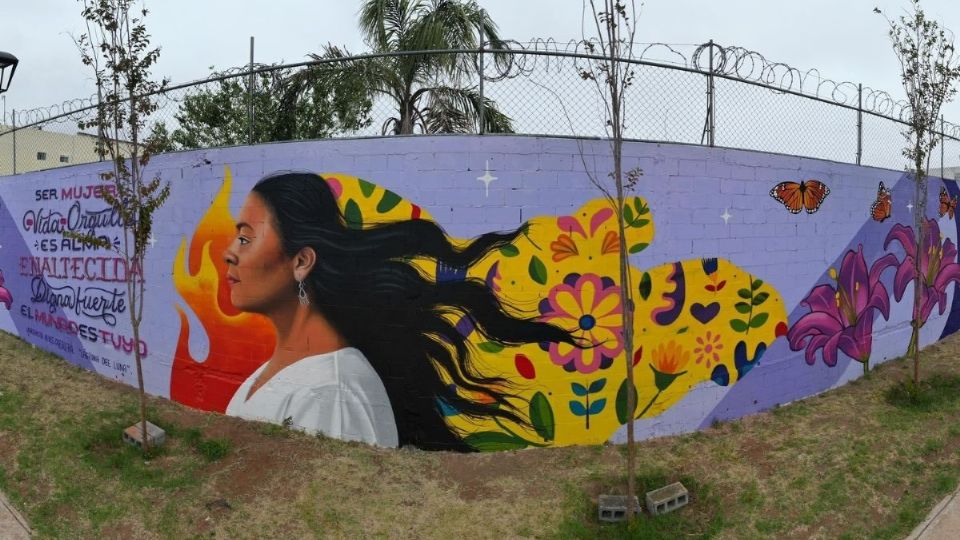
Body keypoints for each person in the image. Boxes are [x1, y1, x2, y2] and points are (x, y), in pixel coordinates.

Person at [223, 172, 577, 450]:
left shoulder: (333, 393)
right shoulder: (273, 377)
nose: (229, 252)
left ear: (301, 262)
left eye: (245, 238)